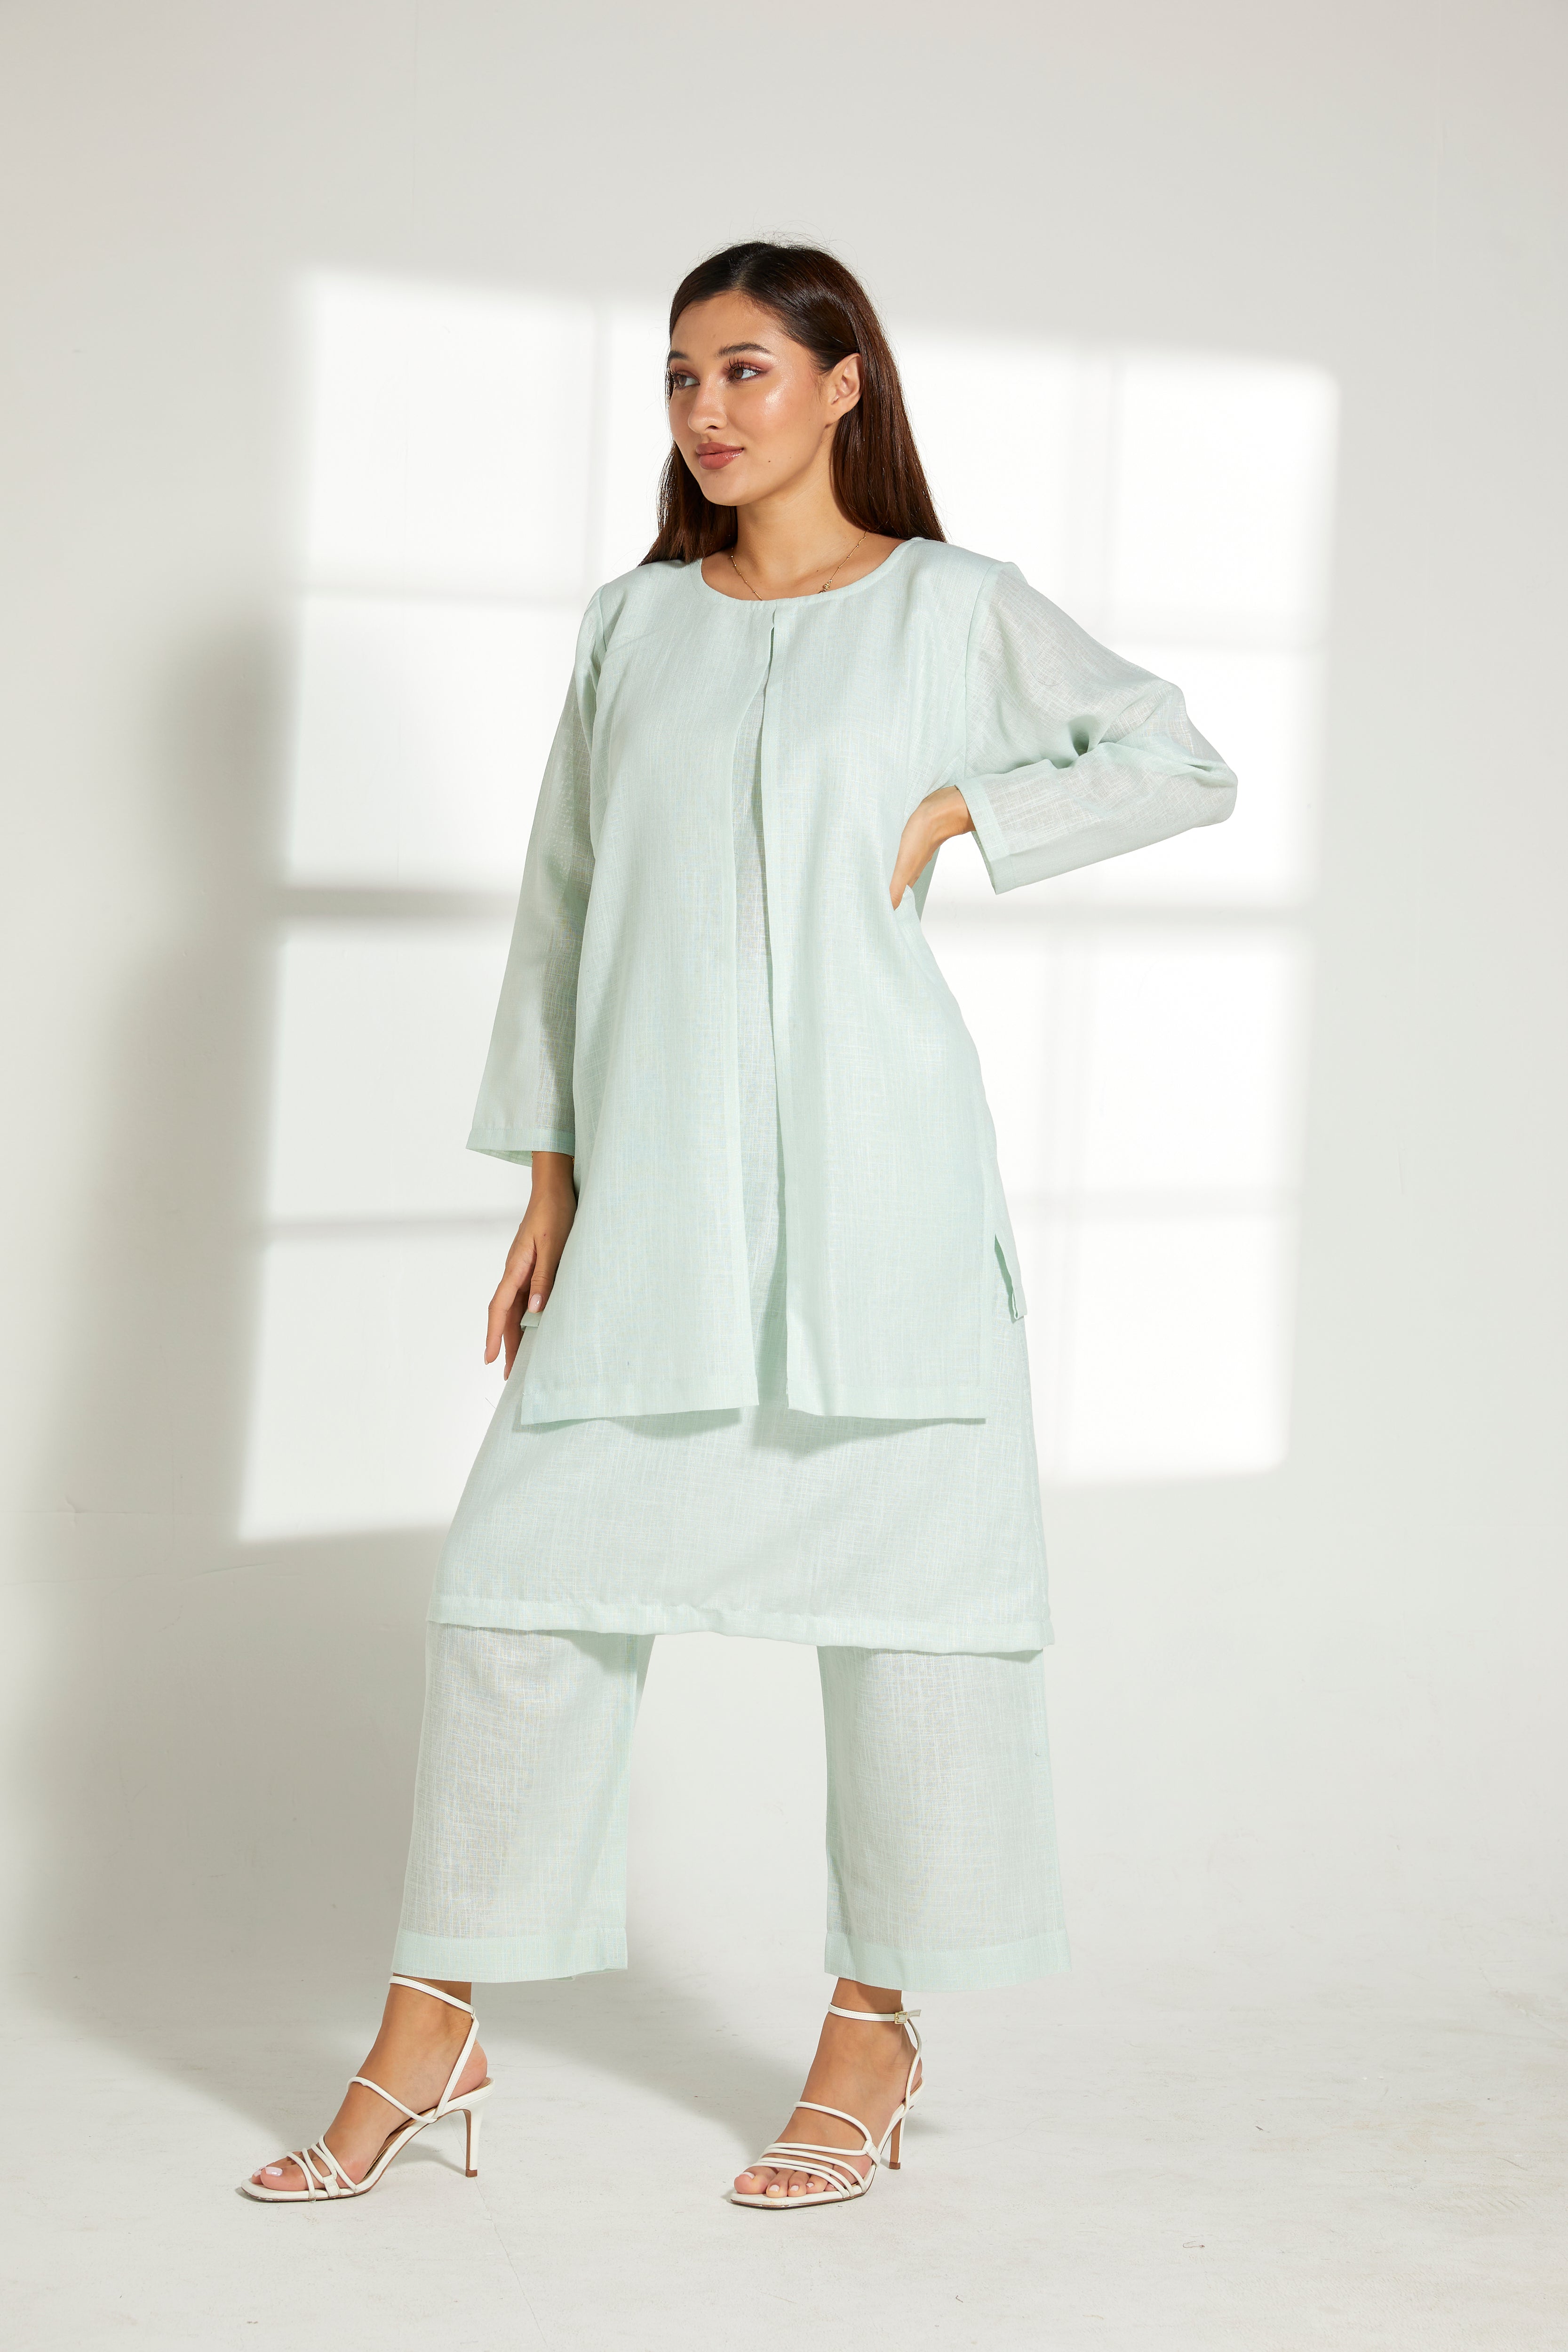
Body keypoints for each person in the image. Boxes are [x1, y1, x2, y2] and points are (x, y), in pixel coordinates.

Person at [245, 239, 1236, 2209]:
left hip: (886, 1203)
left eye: (749, 370)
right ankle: (433, 2026)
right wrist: (549, 1172)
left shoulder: (954, 608)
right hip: (659, 1205)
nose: (707, 410)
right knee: (519, 1591)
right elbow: (563, 896)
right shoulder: (636, 625)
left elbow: (1175, 759)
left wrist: (967, 811)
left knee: (921, 1626)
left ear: (845, 384)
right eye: (684, 377)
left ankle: (874, 2026)